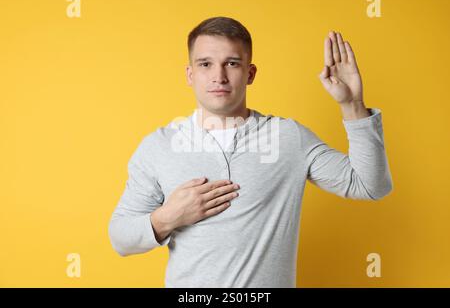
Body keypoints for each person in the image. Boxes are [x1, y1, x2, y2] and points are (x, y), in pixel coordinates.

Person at [108, 16, 393, 288]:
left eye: (231, 63)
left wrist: (353, 104)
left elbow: (370, 186)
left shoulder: (288, 137)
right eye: (205, 64)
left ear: (250, 73)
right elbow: (121, 238)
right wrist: (167, 217)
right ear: (190, 74)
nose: (218, 76)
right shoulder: (158, 146)